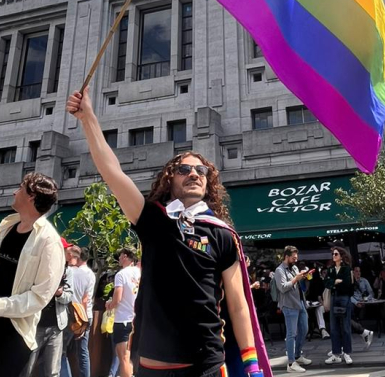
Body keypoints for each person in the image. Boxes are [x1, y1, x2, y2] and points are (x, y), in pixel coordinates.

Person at [66, 88, 269, 377]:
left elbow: (237, 305)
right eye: (184, 169)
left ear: (208, 183)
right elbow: (113, 172)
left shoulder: (222, 234)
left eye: (201, 170)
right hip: (154, 363)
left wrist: (252, 366)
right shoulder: (152, 220)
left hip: (207, 363)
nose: (194, 174)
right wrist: (88, 119)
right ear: (169, 179)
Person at [0, 173, 66, 377]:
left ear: (31, 196)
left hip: (15, 331)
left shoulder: (49, 241)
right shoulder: (8, 225)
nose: (15, 192)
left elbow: (40, 297)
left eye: (21, 188)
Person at [21, 255, 73, 377]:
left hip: (56, 327)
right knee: (26, 368)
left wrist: (59, 294)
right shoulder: (36, 267)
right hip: (34, 327)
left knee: (53, 371)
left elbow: (69, 297)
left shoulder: (67, 271)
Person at [274, 246, 313, 372]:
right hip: (289, 304)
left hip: (300, 302)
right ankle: (291, 363)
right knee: (291, 334)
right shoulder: (279, 270)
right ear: (287, 256)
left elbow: (300, 285)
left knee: (304, 329)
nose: (296, 260)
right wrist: (296, 278)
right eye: (293, 257)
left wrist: (305, 276)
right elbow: (283, 287)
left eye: (296, 257)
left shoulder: (295, 268)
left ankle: (297, 355)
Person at [107, 249, 140, 377]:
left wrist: (109, 304)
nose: (119, 259)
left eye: (120, 256)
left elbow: (117, 299)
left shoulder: (121, 275)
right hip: (137, 319)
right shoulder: (140, 272)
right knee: (131, 357)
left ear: (125, 256)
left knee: (123, 357)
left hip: (123, 319)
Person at [62, 245, 94, 377]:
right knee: (83, 352)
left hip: (72, 314)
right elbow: (86, 299)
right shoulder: (91, 274)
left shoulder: (70, 271)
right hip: (87, 315)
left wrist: (80, 321)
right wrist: (84, 322)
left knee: (62, 351)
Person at [325, 247, 354, 365]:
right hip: (334, 297)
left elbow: (348, 284)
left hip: (344, 297)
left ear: (341, 256)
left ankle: (347, 353)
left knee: (345, 326)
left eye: (336, 254)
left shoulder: (347, 269)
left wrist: (335, 283)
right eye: (332, 254)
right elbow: (326, 283)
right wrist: (336, 282)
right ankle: (336, 353)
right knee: (334, 327)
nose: (334, 256)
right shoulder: (331, 269)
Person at [349, 267, 374, 349]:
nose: (358, 273)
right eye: (356, 271)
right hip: (354, 302)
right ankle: (362, 331)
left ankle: (362, 331)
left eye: (359, 271)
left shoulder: (364, 281)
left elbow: (371, 292)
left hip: (364, 301)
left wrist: (366, 300)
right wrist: (356, 303)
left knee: (343, 318)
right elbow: (349, 295)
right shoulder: (350, 282)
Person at [303, 263, 329, 340]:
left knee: (318, 309)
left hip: (331, 303)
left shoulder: (331, 282)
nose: (326, 274)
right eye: (324, 273)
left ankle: (318, 329)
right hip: (322, 304)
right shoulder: (319, 282)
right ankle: (322, 329)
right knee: (318, 309)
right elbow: (318, 296)